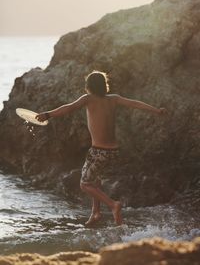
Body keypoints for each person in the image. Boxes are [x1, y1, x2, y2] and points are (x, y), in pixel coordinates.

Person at [36, 70, 167, 226]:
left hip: (99, 151)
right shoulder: (114, 99)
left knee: (85, 184)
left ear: (88, 86)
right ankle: (95, 212)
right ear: (105, 86)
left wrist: (47, 114)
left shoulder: (88, 99)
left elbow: (68, 107)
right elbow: (135, 103)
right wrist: (157, 110)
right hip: (112, 151)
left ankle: (113, 205)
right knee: (96, 179)